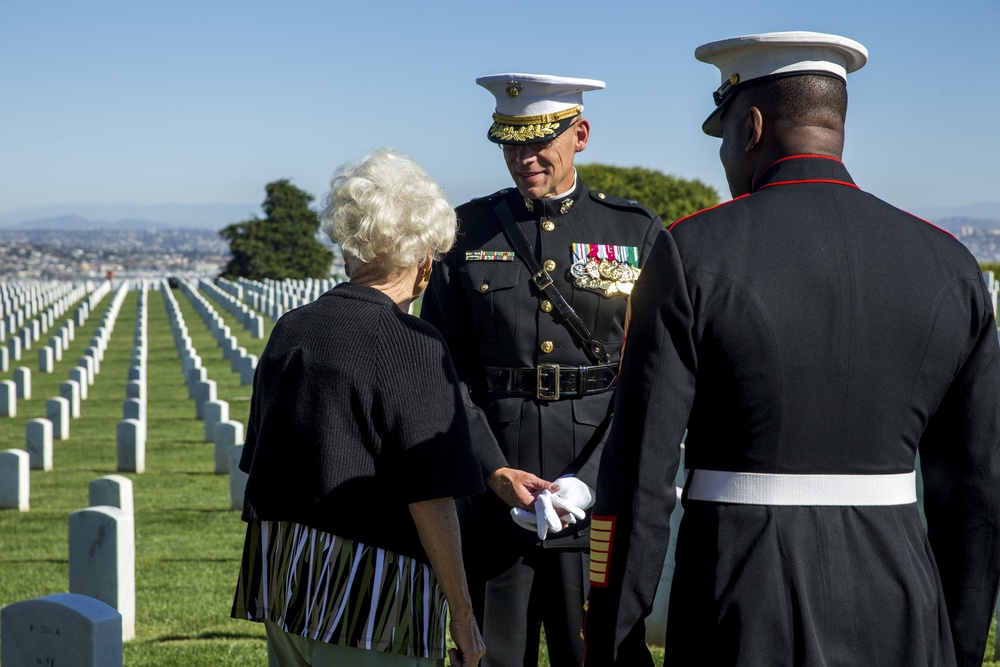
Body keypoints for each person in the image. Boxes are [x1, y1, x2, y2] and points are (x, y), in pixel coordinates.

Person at [583, 31, 1000, 667]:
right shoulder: (947, 262)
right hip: (901, 608)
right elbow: (975, 488)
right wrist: (960, 643)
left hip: (740, 600)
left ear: (750, 126)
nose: (722, 159)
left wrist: (615, 635)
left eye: (722, 135)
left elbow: (639, 475)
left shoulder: (693, 251)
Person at [420, 73, 663, 666]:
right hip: (495, 489)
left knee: (596, 654)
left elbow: (653, 374)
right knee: (495, 655)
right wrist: (494, 471)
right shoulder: (466, 232)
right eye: (509, 144)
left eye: (538, 143)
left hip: (592, 489)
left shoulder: (632, 231)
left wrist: (591, 479)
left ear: (579, 135)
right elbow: (442, 370)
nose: (523, 158)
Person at [231, 148, 487, 667]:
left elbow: (258, 457)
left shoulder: (292, 329)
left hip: (286, 582)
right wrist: (462, 614)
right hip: (371, 604)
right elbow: (432, 499)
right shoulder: (412, 343)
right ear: (423, 260)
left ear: (348, 249)